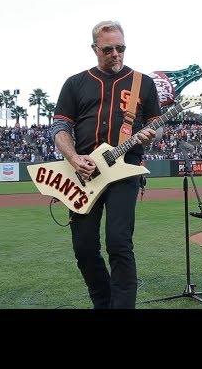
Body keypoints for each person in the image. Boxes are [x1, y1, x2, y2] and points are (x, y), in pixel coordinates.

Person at [51, 21, 161, 309]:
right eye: (108, 49)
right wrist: (74, 158)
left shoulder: (143, 83)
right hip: (83, 172)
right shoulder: (75, 83)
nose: (115, 54)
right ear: (94, 49)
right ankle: (104, 302)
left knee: (119, 243)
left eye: (120, 48)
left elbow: (155, 124)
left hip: (125, 170)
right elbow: (60, 127)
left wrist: (152, 135)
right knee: (84, 248)